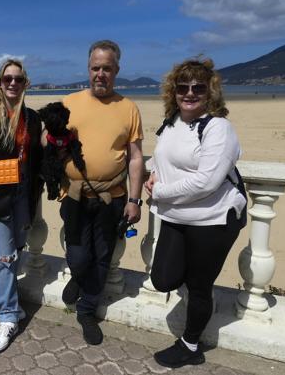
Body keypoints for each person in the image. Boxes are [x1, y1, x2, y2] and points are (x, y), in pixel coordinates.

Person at [144, 58, 246, 368]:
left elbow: (207, 181)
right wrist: (151, 172)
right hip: (177, 215)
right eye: (182, 87)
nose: (189, 93)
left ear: (210, 92)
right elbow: (163, 159)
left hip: (212, 219)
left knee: (200, 285)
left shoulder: (218, 127)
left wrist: (159, 192)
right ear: (172, 91)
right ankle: (196, 283)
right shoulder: (172, 121)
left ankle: (190, 345)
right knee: (163, 278)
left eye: (198, 87)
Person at [60, 40, 144, 345]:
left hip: (113, 198)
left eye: (107, 68)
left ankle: (86, 311)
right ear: (88, 69)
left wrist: (134, 200)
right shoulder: (69, 102)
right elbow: (51, 141)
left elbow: (135, 157)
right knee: (78, 255)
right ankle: (78, 276)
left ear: (116, 70)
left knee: (103, 257)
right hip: (75, 197)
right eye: (96, 68)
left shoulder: (128, 108)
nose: (100, 74)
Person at [0, 59, 43, 352]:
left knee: (16, 252)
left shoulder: (32, 118)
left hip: (23, 198)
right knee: (3, 258)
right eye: (7, 79)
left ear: (25, 83)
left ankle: (11, 303)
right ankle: (7, 317)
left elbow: (39, 159)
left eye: (18, 79)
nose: (12, 83)